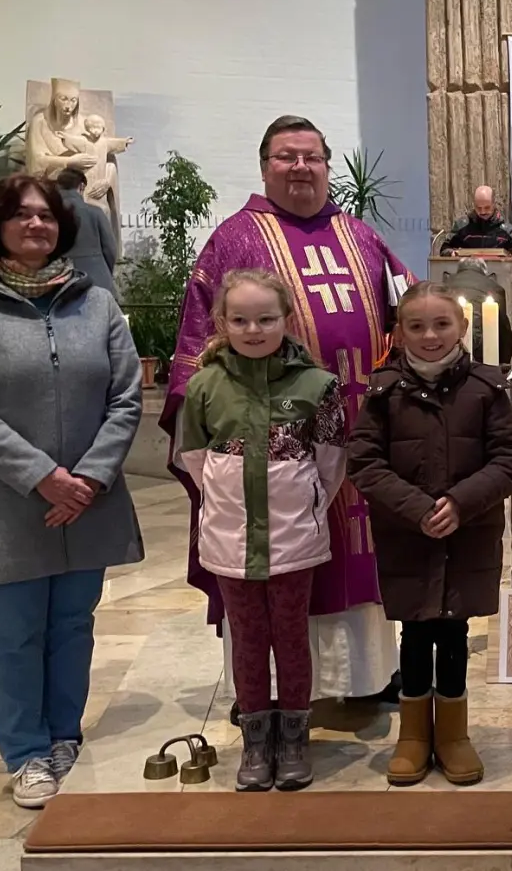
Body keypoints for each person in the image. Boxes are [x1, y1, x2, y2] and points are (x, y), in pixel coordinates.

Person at [164, 115, 408, 715]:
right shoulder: (235, 240)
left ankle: (366, 676)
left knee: (361, 544)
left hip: (356, 434)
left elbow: (409, 318)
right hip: (267, 456)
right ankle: (264, 692)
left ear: (328, 164)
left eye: (311, 157)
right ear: (264, 166)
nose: (300, 167)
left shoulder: (362, 236)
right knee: (266, 568)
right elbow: (198, 355)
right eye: (285, 157)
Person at [0, 174, 143, 808]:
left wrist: (87, 478)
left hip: (89, 497)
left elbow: (126, 396)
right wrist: (44, 477)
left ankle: (63, 738)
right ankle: (25, 752)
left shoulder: (96, 303)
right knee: (18, 629)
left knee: (74, 624)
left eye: (47, 216)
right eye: (22, 215)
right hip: (9, 502)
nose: (36, 225)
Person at [348, 280, 512, 786]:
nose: (430, 335)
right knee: (414, 631)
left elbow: (509, 460)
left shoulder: (486, 390)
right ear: (399, 332)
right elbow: (364, 462)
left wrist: (460, 503)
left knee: (453, 629)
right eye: (417, 325)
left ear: (462, 327)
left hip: (466, 536)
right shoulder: (383, 392)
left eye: (441, 324)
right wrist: (418, 508)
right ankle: (412, 736)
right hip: (408, 535)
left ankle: (452, 735)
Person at [177, 271, 347, 792]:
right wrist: (230, 500)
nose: (254, 329)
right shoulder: (206, 386)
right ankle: (256, 740)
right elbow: (193, 459)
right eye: (241, 319)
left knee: (291, 637)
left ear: (287, 319)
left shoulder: (317, 385)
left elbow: (331, 464)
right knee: (248, 640)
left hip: (293, 537)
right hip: (230, 539)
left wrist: (301, 504)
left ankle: (294, 736)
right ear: (222, 322)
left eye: (267, 318)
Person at [54, 168, 119, 296]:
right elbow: (110, 249)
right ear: (81, 186)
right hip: (98, 282)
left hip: (61, 285)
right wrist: (105, 272)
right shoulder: (95, 213)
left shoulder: (49, 215)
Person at [439, 258, 512, 365]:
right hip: (483, 346)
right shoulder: (495, 287)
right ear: (484, 271)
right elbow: (503, 328)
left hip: (450, 343)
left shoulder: (444, 286)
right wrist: (504, 362)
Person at [437, 186, 512, 266]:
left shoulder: (506, 230)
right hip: (467, 278)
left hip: (498, 279)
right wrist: (451, 254)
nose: (483, 212)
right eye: (478, 208)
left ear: (494, 204)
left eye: (487, 207)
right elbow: (444, 249)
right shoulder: (462, 226)